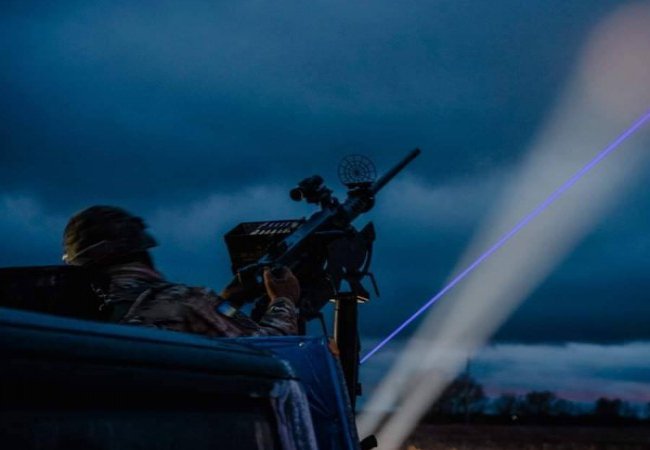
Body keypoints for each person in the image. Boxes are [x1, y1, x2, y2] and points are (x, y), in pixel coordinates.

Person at [62, 205, 300, 337]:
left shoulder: (68, 317)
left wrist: (227, 302)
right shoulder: (188, 301)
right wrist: (283, 300)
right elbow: (272, 351)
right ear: (142, 250)